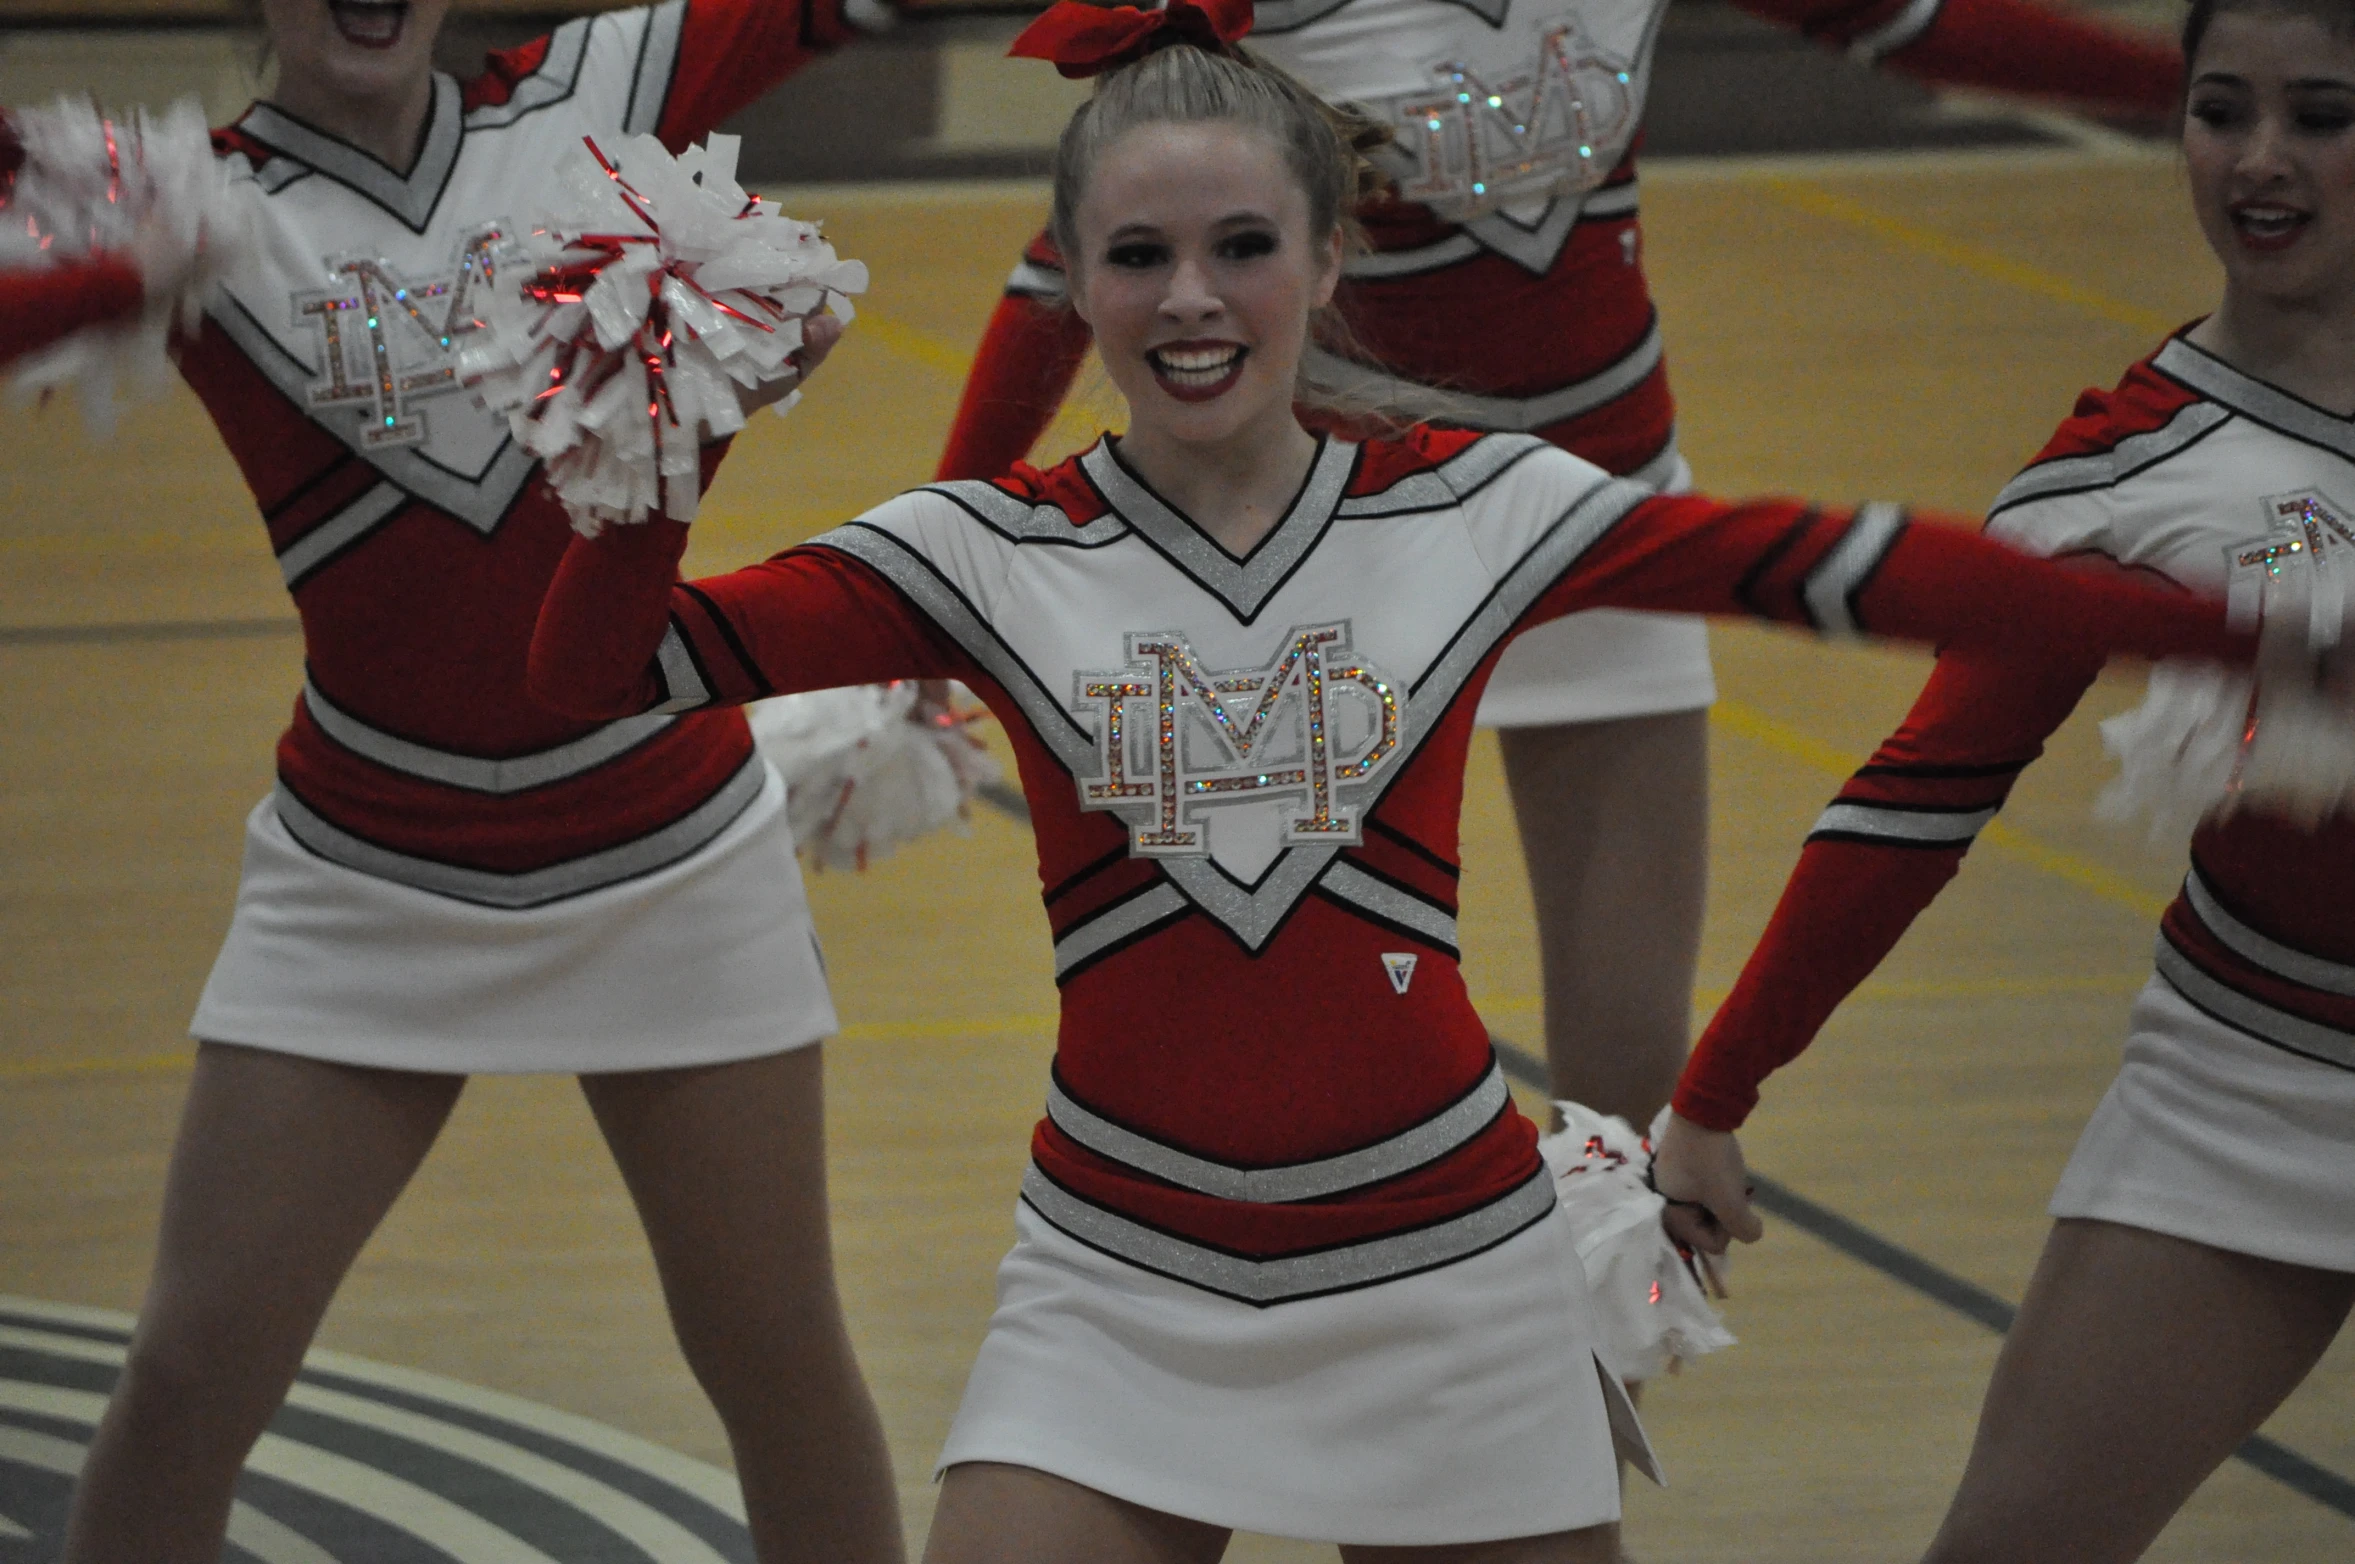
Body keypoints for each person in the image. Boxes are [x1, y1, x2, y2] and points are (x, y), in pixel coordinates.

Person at [525, 17, 2273, 1560]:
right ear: (1071, 270)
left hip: (1450, 1277)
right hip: (1117, 1281)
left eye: (1241, 247)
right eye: (1137, 255)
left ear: (1333, 255)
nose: (1192, 299)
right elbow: (600, 676)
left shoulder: (1475, 504)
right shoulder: (980, 548)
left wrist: (2205, 627)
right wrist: (658, 442)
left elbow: (1833, 566)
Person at [930, 0, 2191, 1134]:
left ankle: (1606, 1379)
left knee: (1620, 1107)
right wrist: (952, 546)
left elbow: (1901, 21)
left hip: (1605, 527)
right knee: (1289, 1048)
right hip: (1348, 562)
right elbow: (1078, 256)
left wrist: (2201, 90)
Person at [57, 2, 904, 1560]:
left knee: (780, 1366)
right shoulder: (179, 204)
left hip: (668, 860)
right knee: (185, 1381)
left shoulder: (607, 82)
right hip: (366, 876)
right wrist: (112, 275)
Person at [1652, 2, 2355, 1559]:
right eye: (2216, 109)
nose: (2258, 161)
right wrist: (1713, 1096)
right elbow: (1915, 797)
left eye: (2319, 114)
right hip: (2254, 1082)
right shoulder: (2125, 469)